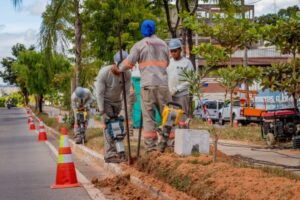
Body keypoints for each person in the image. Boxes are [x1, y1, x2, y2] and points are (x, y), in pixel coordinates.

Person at [112, 19, 171, 152]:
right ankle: (170, 144)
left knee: (149, 117)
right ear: (154, 29)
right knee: (167, 115)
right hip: (163, 85)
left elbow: (129, 62)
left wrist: (118, 68)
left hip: (147, 86)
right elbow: (167, 62)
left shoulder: (139, 45)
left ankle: (151, 147)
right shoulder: (164, 44)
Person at [95, 50, 131, 163]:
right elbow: (99, 94)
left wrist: (126, 113)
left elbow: (126, 94)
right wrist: (102, 112)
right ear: (114, 63)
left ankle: (119, 152)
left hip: (118, 102)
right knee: (109, 126)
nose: (121, 70)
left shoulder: (127, 74)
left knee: (118, 127)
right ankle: (110, 153)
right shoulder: (104, 73)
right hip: (105, 102)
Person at [167, 38, 194, 115]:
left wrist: (177, 89)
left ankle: (183, 127)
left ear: (180, 50)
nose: (173, 53)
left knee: (182, 117)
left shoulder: (187, 63)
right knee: (171, 119)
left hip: (182, 96)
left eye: (175, 51)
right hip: (170, 96)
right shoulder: (169, 63)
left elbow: (190, 80)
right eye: (171, 51)